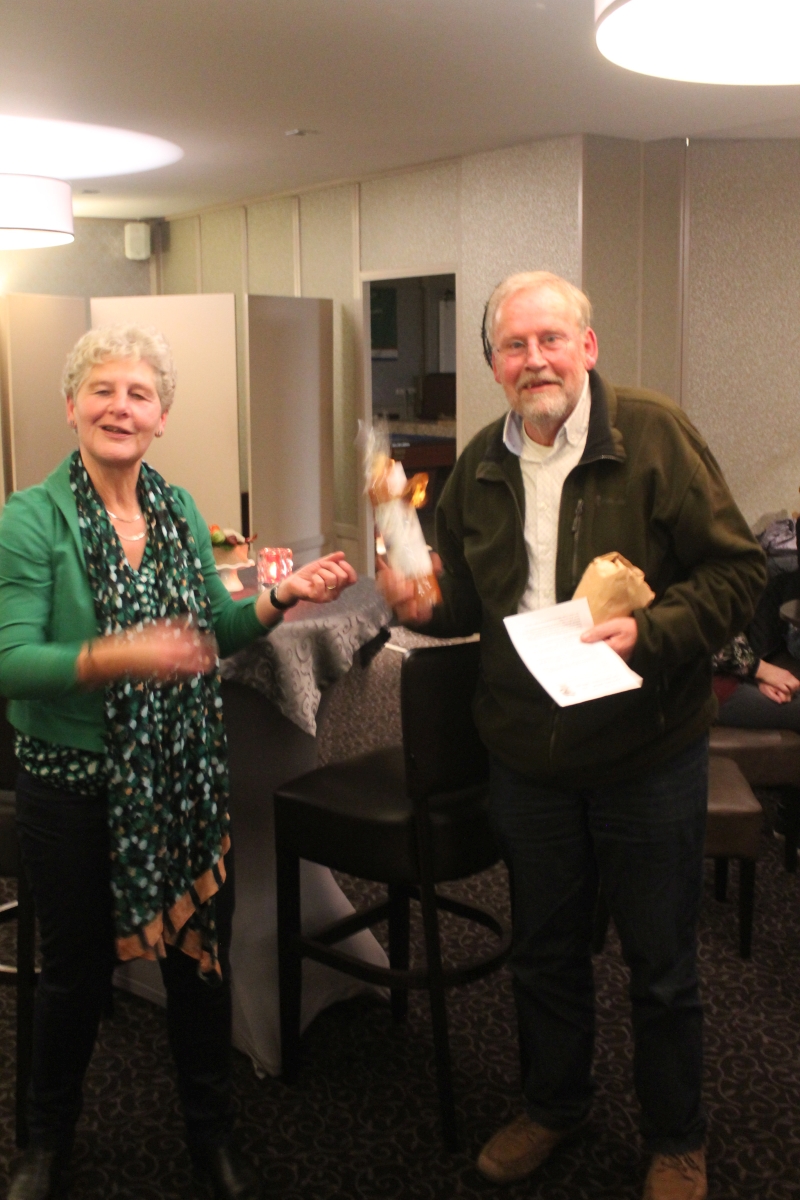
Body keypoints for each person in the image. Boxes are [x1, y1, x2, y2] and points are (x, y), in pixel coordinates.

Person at [378, 272, 765, 1200]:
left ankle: (676, 1137)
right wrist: (420, 604)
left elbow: (737, 572)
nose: (535, 360)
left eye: (551, 339)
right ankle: (555, 1106)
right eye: (514, 346)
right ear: (494, 364)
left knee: (661, 965)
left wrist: (652, 632)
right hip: (528, 756)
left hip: (645, 750)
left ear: (587, 347)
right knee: (544, 954)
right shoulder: (480, 461)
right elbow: (469, 603)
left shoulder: (654, 435)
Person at [0, 325, 356, 1200]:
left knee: (201, 961)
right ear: (72, 406)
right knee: (74, 977)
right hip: (73, 785)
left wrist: (279, 597)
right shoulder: (30, 518)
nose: (120, 407)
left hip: (182, 779)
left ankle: (211, 1134)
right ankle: (45, 1144)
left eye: (139, 394)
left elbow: (212, 633)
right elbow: (11, 663)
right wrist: (118, 654)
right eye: (102, 390)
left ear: (161, 417)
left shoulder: (179, 510)